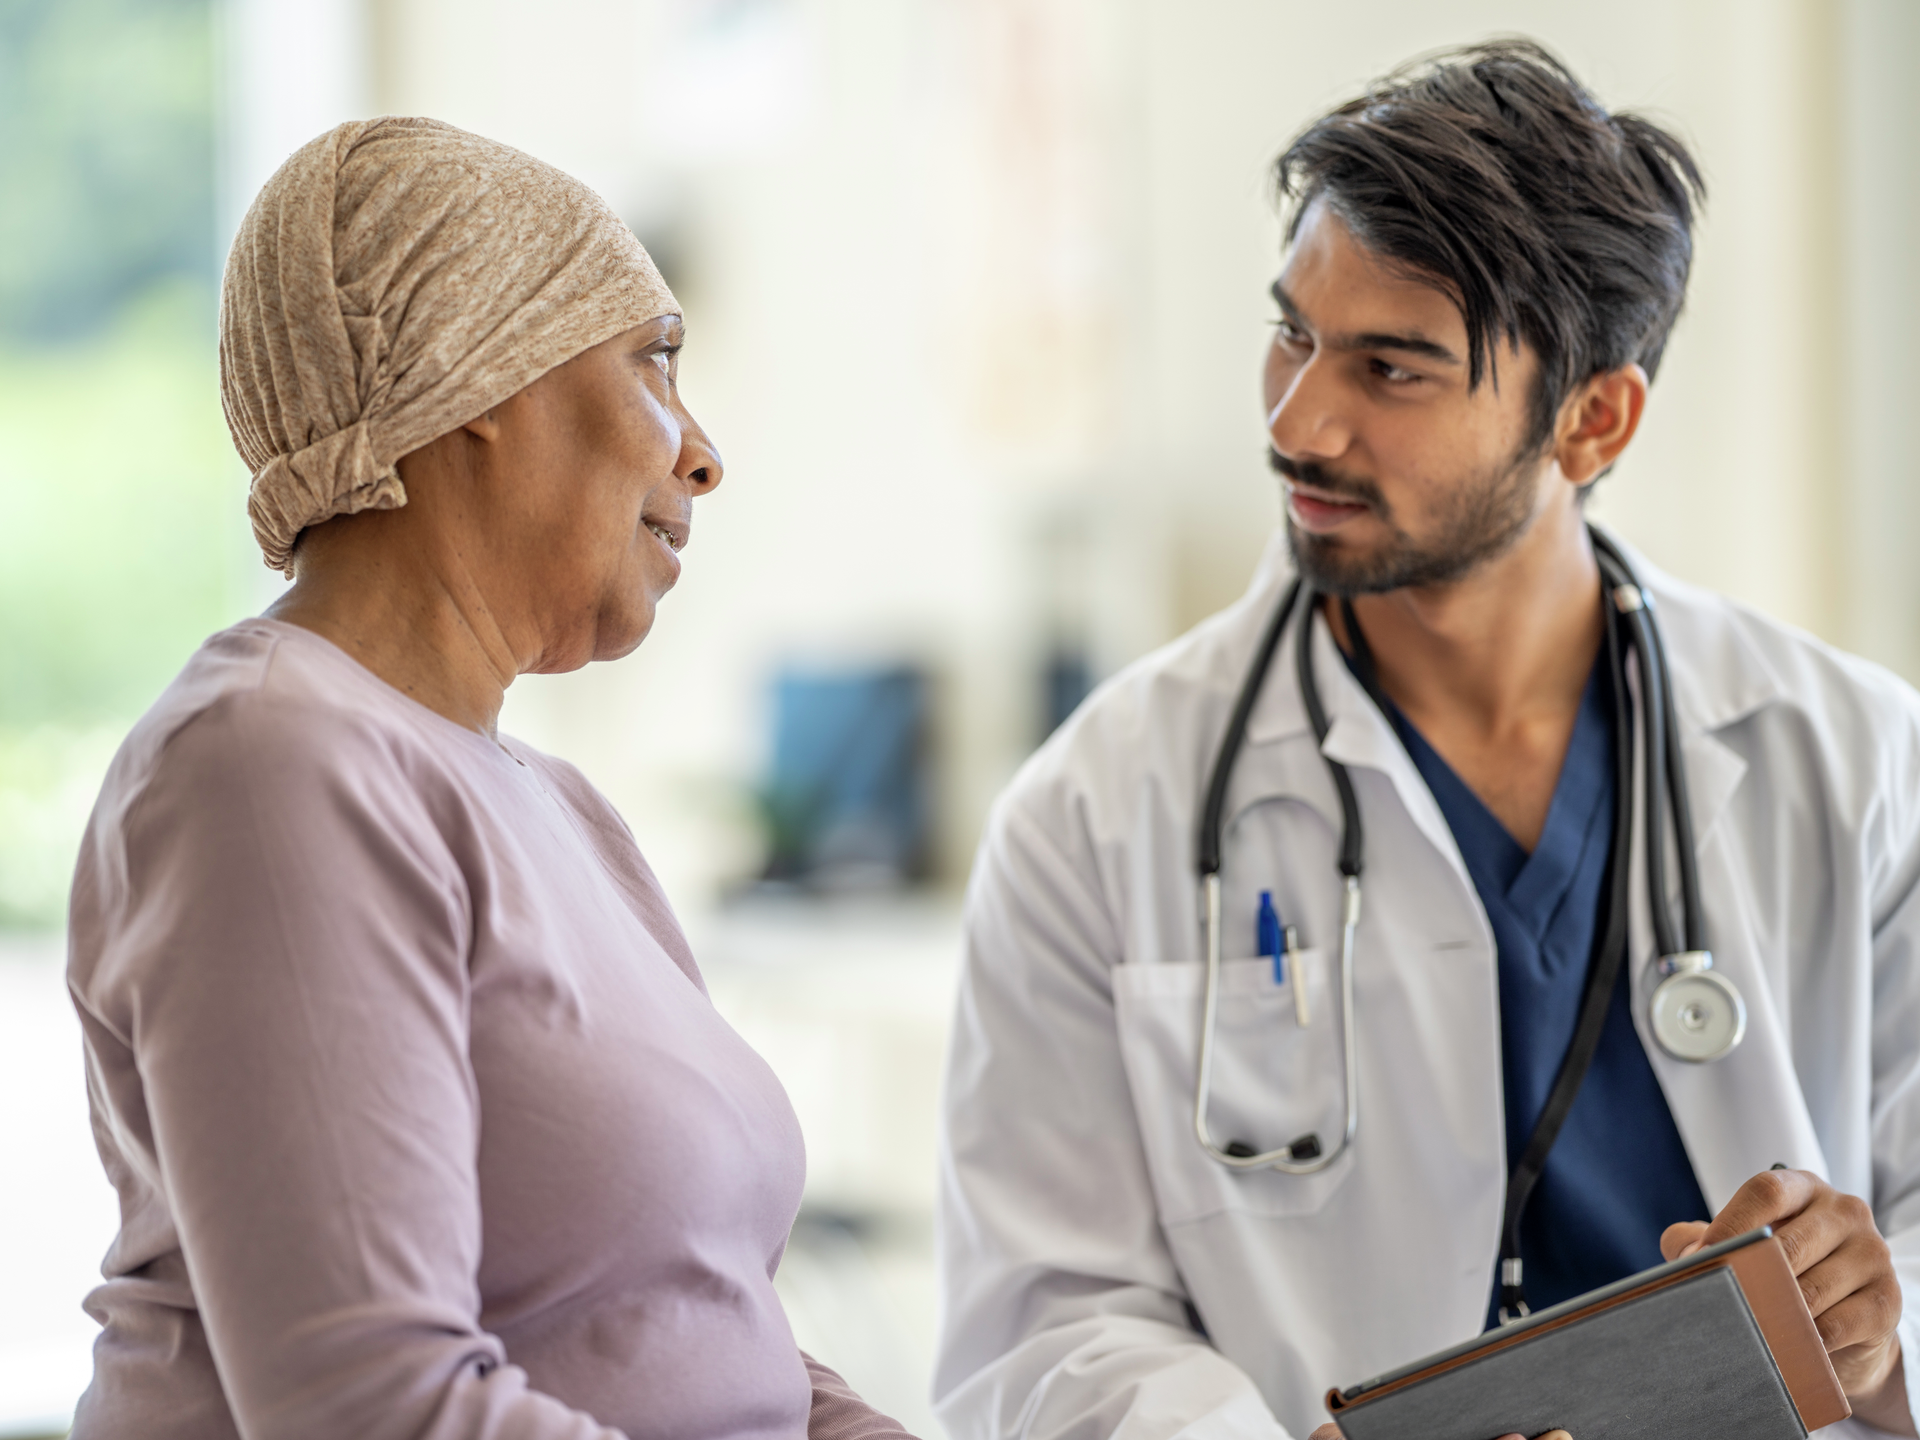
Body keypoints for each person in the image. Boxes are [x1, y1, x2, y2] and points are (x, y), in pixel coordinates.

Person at [933, 41, 1920, 1440]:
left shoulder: (1860, 764)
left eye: (1390, 369)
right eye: (1292, 332)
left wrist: (1880, 1337)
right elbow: (1043, 1324)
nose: (1296, 420)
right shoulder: (1097, 812)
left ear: (1591, 420)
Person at [66, 117, 918, 1440]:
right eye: (657, 363)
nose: (700, 452)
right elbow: (373, 1406)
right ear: (477, 385)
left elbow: (705, 1327)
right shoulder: (271, 761)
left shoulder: (561, 810)